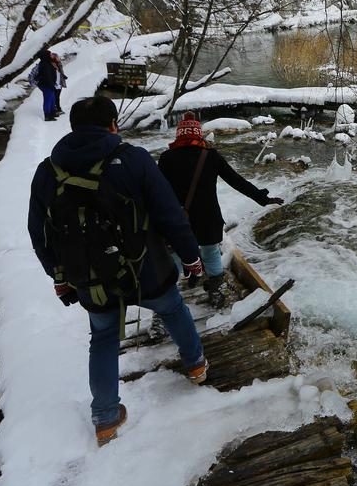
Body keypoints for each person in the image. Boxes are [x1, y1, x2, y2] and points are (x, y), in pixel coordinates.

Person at [28, 96, 210, 446]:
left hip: (90, 279)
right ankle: (197, 367)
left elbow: (39, 233)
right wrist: (191, 257)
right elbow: (170, 215)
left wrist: (60, 279)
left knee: (104, 338)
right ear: (113, 123)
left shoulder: (47, 172)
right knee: (173, 310)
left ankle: (106, 419)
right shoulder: (134, 159)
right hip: (148, 268)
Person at [158, 112, 282, 309]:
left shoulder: (166, 158)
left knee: (173, 258)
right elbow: (236, 181)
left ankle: (165, 307)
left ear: (179, 134)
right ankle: (216, 291)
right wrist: (261, 198)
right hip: (208, 219)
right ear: (199, 134)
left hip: (177, 221)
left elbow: (157, 192)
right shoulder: (210, 156)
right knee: (211, 253)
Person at [31, 48, 60, 121]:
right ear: (45, 56)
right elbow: (47, 77)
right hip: (46, 84)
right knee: (48, 99)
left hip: (49, 84)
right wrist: (51, 86)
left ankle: (52, 112)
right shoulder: (44, 64)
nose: (51, 55)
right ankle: (47, 116)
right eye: (49, 54)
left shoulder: (48, 62)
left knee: (52, 97)